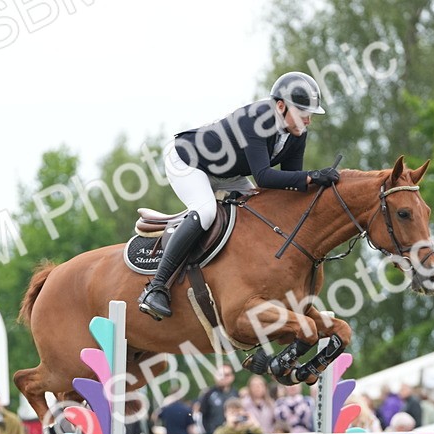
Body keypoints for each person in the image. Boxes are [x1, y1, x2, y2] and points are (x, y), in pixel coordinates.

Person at [137, 71, 338, 319]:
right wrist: (312, 176)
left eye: (310, 114)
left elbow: (289, 186)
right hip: (189, 162)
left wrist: (319, 184)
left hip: (228, 174)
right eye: (303, 112)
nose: (308, 120)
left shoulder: (297, 134)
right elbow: (264, 177)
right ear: (280, 106)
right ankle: (156, 288)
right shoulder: (257, 120)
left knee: (261, 210)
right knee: (206, 211)